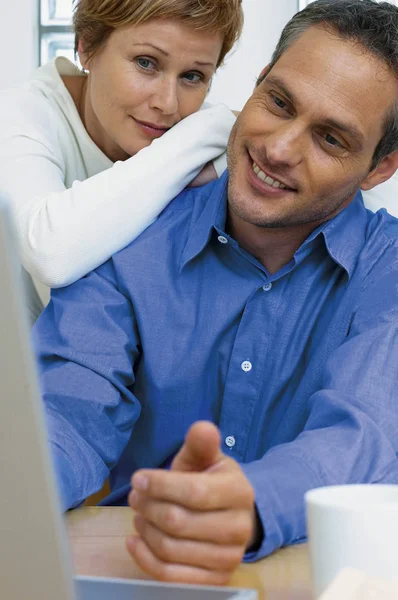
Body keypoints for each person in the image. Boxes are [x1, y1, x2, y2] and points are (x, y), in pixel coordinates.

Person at [34, 0, 398, 586]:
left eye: (330, 138)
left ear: (381, 167)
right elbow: (67, 411)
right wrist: (21, 484)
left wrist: (250, 504)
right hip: (138, 572)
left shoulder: (389, 273)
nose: (278, 149)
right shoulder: (129, 233)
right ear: (255, 86)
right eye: (278, 103)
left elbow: (367, 434)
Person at [0, 0, 243, 323]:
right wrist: (217, 124)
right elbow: (50, 253)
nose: (167, 103)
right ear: (85, 46)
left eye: (193, 76)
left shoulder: (198, 139)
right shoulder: (21, 113)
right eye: (146, 63)